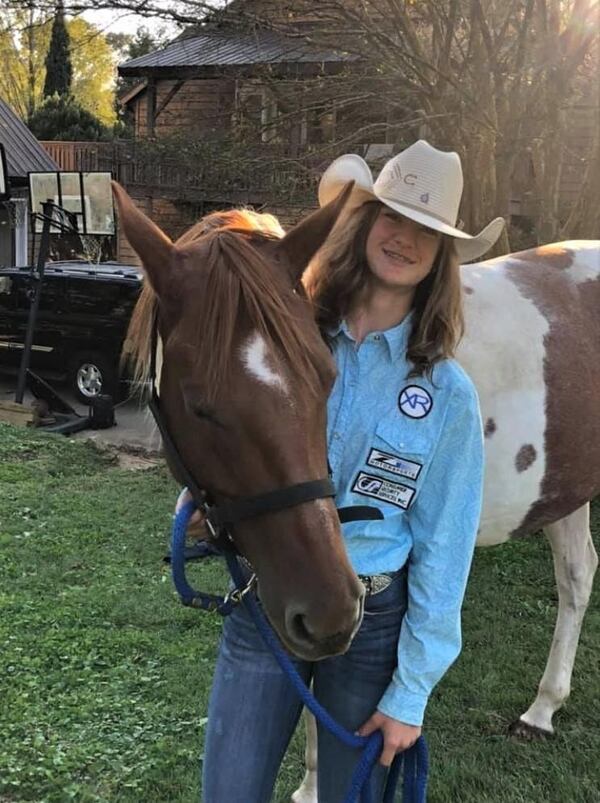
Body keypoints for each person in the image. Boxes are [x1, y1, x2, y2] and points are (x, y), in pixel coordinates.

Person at [191, 140, 505, 801]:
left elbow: (445, 551)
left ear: (441, 256)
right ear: (363, 223)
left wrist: (411, 693)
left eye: (427, 231)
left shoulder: (446, 396)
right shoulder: (286, 336)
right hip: (266, 601)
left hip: (371, 623)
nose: (405, 238)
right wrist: (198, 507)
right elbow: (228, 431)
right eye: (393, 216)